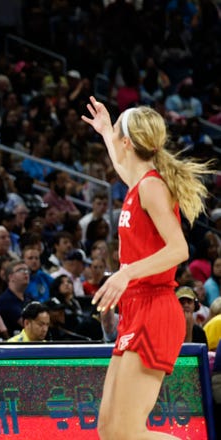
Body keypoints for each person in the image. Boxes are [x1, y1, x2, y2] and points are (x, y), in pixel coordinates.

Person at [82, 97, 211, 439]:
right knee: (109, 432)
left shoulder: (152, 187)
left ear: (129, 143)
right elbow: (122, 165)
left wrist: (125, 272)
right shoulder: (139, 184)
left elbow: (179, 249)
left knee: (126, 432)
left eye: (118, 137)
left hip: (154, 308)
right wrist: (107, 130)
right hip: (136, 309)